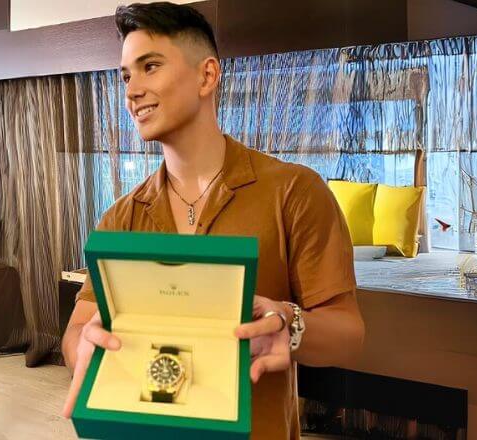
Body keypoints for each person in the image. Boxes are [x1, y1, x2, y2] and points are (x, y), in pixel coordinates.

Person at [61, 2, 365, 439]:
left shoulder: (295, 191)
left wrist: (289, 324)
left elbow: (349, 334)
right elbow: (78, 328)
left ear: (207, 75)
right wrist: (84, 348)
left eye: (150, 67)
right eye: (126, 76)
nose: (132, 90)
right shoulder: (121, 216)